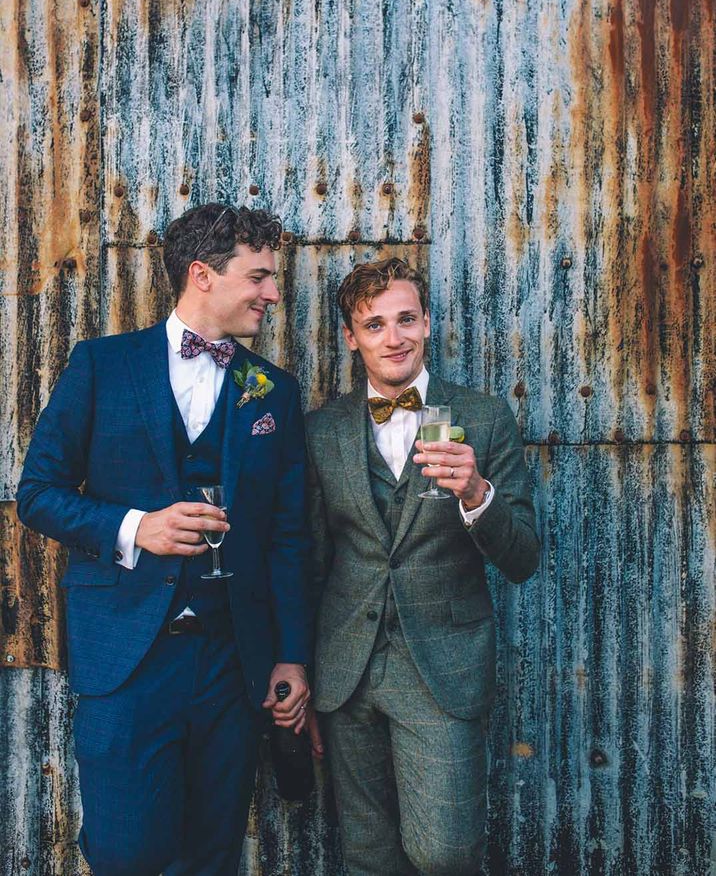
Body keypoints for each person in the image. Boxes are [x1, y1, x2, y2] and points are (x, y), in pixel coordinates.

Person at [17, 204, 312, 876]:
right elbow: (37, 493)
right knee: (127, 854)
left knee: (213, 856)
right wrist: (135, 528)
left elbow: (289, 538)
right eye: (260, 276)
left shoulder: (274, 393)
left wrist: (291, 656)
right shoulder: (101, 366)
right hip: (128, 657)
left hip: (233, 665)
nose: (273, 293)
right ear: (203, 275)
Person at [305, 257, 539, 876]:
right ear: (352, 338)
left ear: (428, 323)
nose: (394, 337)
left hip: (443, 670)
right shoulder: (321, 430)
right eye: (375, 325)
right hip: (345, 672)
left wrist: (476, 495)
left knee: (446, 855)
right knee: (368, 856)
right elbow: (308, 563)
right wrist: (301, 671)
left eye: (406, 319)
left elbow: (523, 558)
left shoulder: (483, 417)